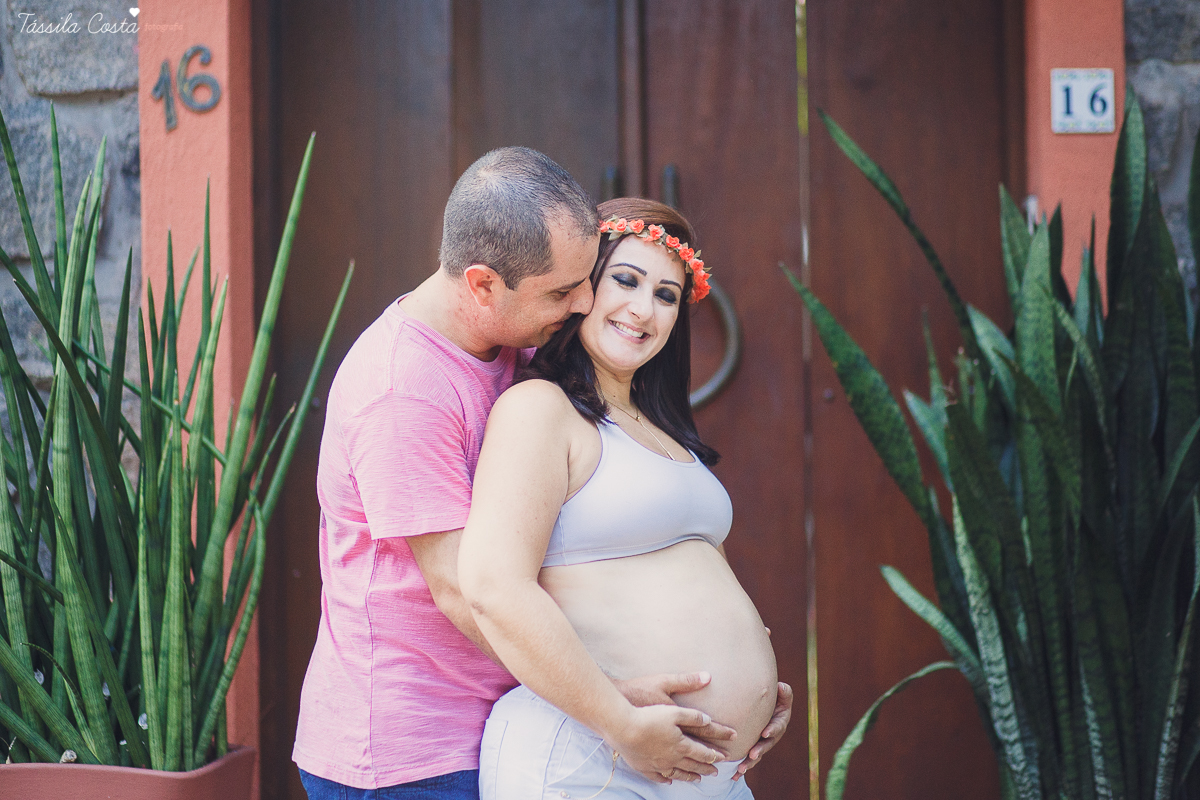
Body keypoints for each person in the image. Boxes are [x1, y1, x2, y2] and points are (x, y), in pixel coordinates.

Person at [292, 150, 784, 800]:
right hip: (412, 748)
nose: (584, 304)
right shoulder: (402, 388)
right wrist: (610, 702)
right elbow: (469, 590)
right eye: (563, 291)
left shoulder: (514, 348)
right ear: (483, 284)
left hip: (517, 707)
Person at [459, 197, 789, 800]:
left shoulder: (663, 432)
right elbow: (493, 587)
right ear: (583, 288)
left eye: (666, 295)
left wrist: (757, 693)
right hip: (591, 755)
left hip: (701, 771)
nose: (644, 309)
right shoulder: (540, 410)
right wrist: (620, 720)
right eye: (627, 281)